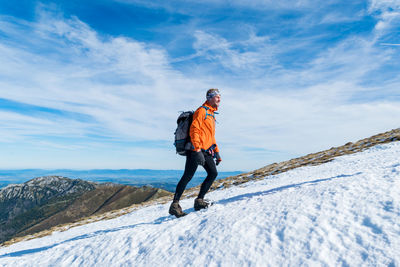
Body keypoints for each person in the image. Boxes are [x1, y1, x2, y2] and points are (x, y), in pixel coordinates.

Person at [169, 88, 222, 217]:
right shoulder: (201, 111)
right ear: (209, 97)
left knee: (213, 173)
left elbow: (211, 135)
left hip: (206, 150)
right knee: (187, 176)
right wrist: (197, 150)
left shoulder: (211, 114)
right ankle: (174, 205)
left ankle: (199, 200)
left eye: (220, 96)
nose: (219, 99)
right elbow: (194, 130)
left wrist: (216, 151)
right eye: (216, 96)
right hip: (196, 150)